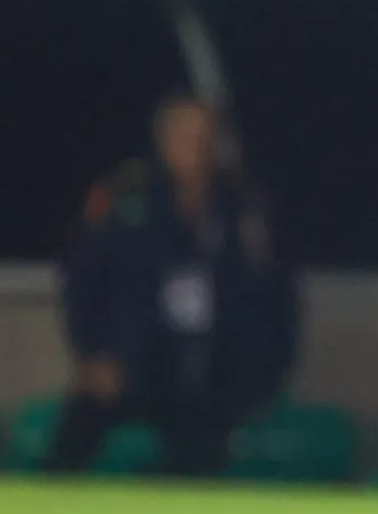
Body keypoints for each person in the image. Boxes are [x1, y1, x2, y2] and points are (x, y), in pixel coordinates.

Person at [47, 95, 300, 477]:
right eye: (184, 137)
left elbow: (278, 298)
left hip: (210, 374)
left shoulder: (247, 210)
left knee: (197, 459)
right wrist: (92, 355)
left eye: (204, 137)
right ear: (163, 142)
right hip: (133, 363)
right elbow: (81, 283)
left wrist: (263, 377)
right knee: (78, 429)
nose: (195, 148)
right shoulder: (127, 200)